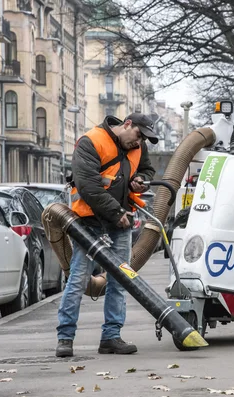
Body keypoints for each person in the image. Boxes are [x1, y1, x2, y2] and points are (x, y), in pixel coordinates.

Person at [56, 113, 157, 357]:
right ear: (127, 124)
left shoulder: (137, 146)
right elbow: (87, 185)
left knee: (120, 281)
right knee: (78, 279)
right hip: (90, 223)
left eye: (144, 138)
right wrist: (114, 213)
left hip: (119, 223)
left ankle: (111, 337)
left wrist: (140, 180)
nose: (139, 142)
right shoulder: (91, 141)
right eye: (138, 135)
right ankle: (65, 338)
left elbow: (147, 170)